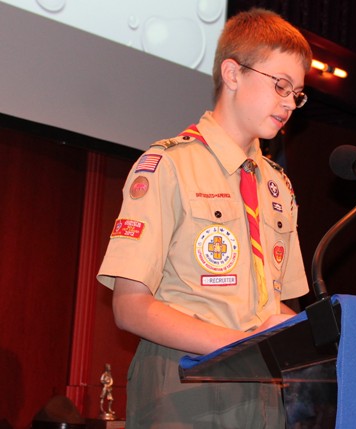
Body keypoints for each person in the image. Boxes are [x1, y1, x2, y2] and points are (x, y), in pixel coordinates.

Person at [97, 8, 312, 427]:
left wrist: (323, 334)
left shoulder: (278, 187)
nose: (289, 102)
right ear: (232, 74)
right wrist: (236, 345)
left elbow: (278, 305)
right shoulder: (167, 165)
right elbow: (130, 307)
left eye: (297, 93)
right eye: (280, 85)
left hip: (262, 389)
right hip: (183, 383)